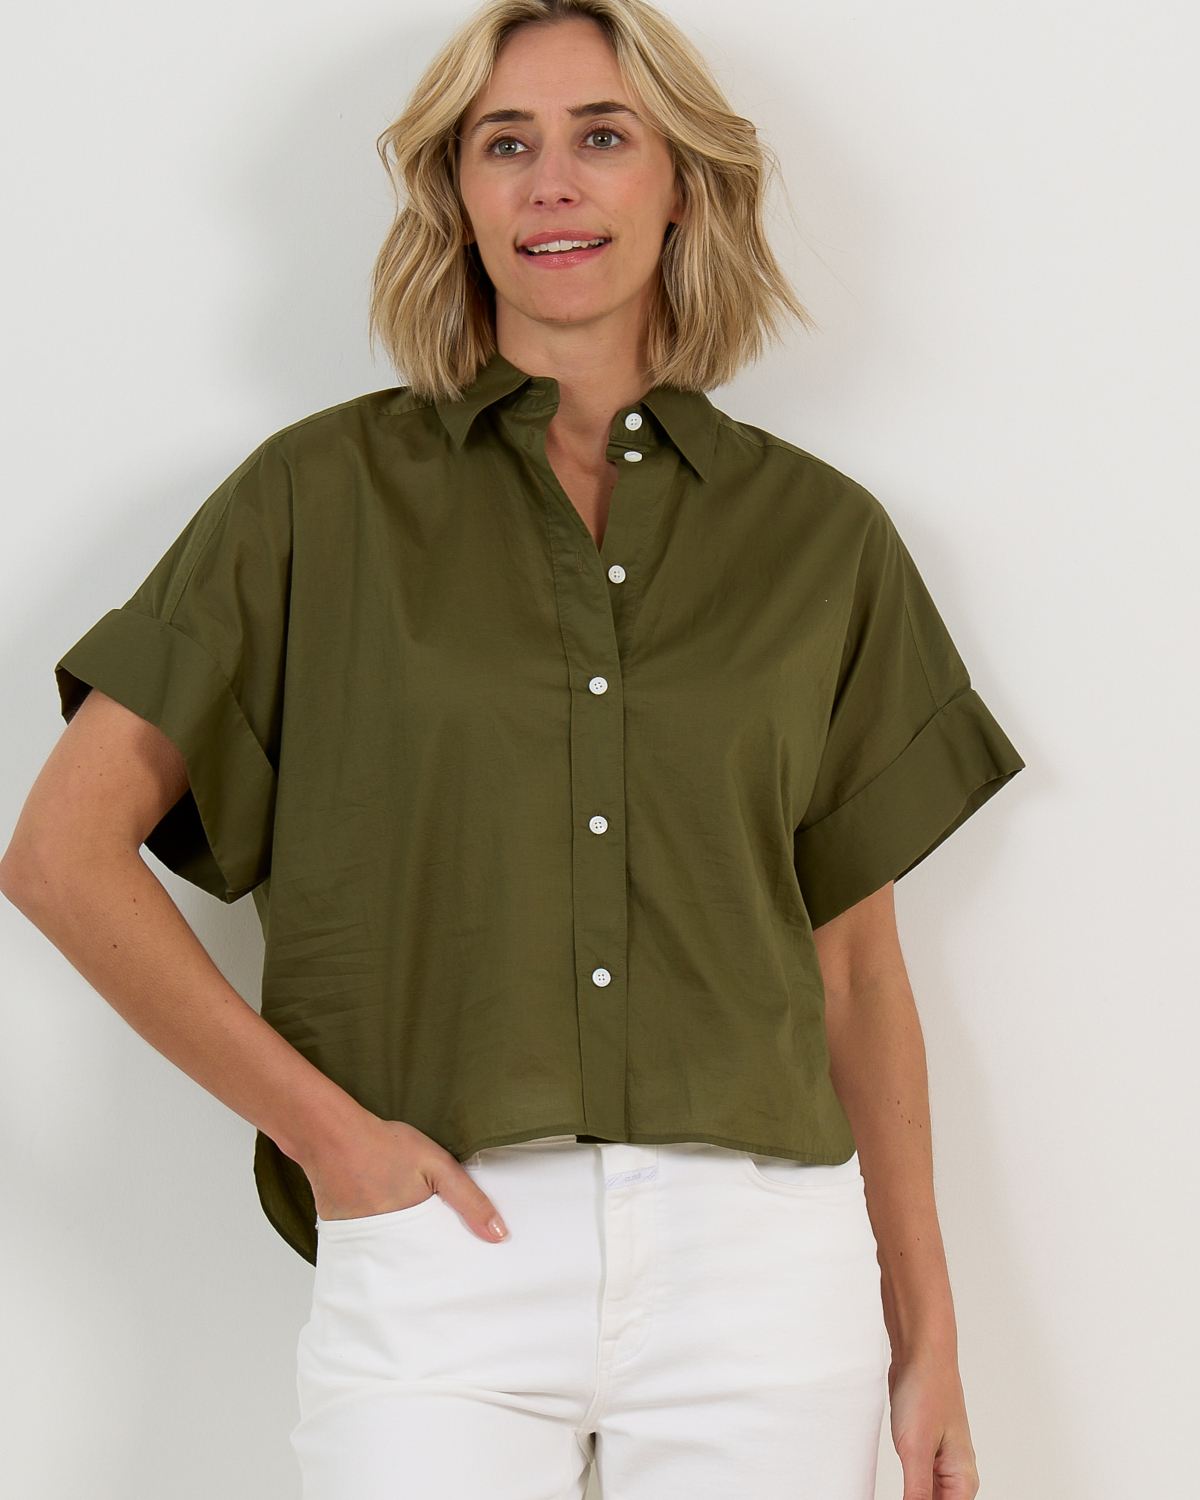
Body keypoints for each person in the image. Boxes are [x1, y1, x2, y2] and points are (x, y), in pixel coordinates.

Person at [0, 1, 1024, 1496]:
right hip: (442, 1246)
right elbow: (59, 853)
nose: (553, 183)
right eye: (505, 145)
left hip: (761, 1268)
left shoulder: (823, 538)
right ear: (457, 196)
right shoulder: (314, 500)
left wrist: (926, 1332)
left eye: (602, 137)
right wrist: (331, 1140)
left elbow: (856, 969)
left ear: (682, 184)